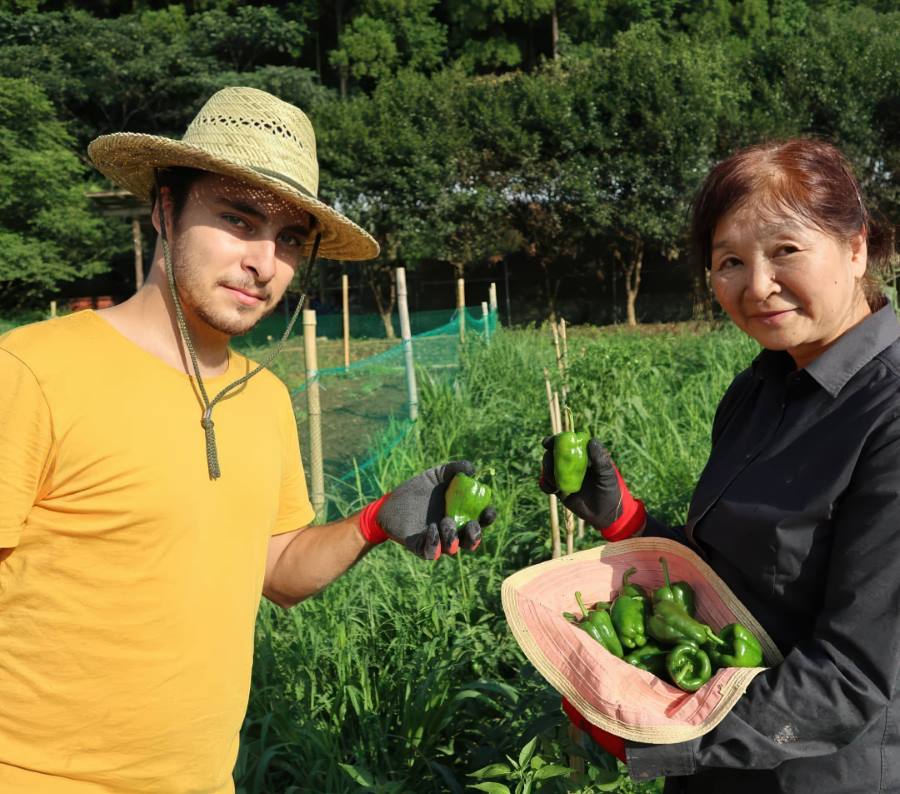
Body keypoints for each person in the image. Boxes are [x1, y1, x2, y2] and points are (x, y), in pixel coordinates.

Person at [0, 86, 495, 793]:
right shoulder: (31, 373)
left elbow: (277, 568)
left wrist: (376, 521)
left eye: (290, 238)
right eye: (237, 219)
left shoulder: (262, 398)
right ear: (165, 209)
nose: (264, 261)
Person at [540, 137, 898, 792]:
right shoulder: (761, 388)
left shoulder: (890, 415)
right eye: (730, 260)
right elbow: (743, 574)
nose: (758, 286)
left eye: (785, 251)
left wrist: (673, 745)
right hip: (722, 757)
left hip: (819, 775)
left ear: (857, 248)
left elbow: (855, 676)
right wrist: (628, 523)